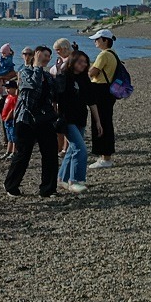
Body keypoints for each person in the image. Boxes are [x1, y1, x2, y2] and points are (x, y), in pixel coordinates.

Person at [5, 46, 59, 198]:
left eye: (49, 56)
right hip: (26, 119)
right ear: (37, 54)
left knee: (50, 153)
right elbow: (32, 84)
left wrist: (60, 74)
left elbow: (57, 93)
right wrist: (37, 66)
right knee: (23, 154)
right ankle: (11, 185)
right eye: (45, 55)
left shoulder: (48, 76)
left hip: (45, 118)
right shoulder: (25, 71)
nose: (47, 58)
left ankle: (48, 188)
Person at [56, 50, 100, 194]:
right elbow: (55, 99)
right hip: (66, 119)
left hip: (81, 118)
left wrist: (98, 122)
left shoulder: (84, 78)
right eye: (80, 61)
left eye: (85, 62)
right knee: (80, 149)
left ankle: (62, 179)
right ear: (72, 61)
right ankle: (75, 180)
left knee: (72, 149)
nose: (84, 64)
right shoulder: (63, 77)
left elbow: (92, 101)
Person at [87, 29, 120, 169]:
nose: (95, 42)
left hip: (100, 90)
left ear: (105, 40)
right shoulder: (113, 54)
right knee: (105, 121)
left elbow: (92, 72)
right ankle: (104, 156)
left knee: (100, 122)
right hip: (108, 90)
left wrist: (88, 70)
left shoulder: (104, 55)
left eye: (98, 39)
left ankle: (105, 157)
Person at [0, 80, 18, 165]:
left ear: (14, 88)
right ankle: (8, 151)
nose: (7, 90)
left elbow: (12, 110)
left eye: (9, 88)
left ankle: (14, 152)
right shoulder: (8, 97)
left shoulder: (15, 98)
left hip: (11, 120)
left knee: (13, 137)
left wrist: (7, 117)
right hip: (5, 119)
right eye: (6, 88)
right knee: (9, 137)